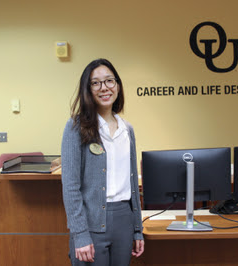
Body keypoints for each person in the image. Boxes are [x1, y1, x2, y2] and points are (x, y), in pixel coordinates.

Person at [61, 58, 144, 266]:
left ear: (117, 85)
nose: (104, 88)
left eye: (109, 81)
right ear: (87, 89)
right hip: (91, 222)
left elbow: (132, 184)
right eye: (95, 83)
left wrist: (137, 229)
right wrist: (80, 234)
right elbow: (71, 186)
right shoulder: (75, 127)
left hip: (124, 221)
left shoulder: (128, 129)